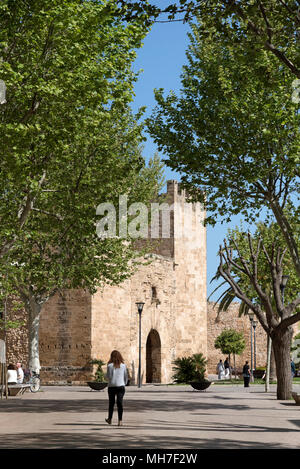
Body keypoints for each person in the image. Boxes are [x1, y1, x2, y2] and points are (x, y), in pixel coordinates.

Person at [105, 350, 128, 426]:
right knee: (119, 403)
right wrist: (123, 383)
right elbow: (126, 377)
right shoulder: (123, 366)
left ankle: (110, 419)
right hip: (121, 387)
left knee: (111, 404)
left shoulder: (109, 366)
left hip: (111, 386)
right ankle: (120, 421)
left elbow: (108, 377)